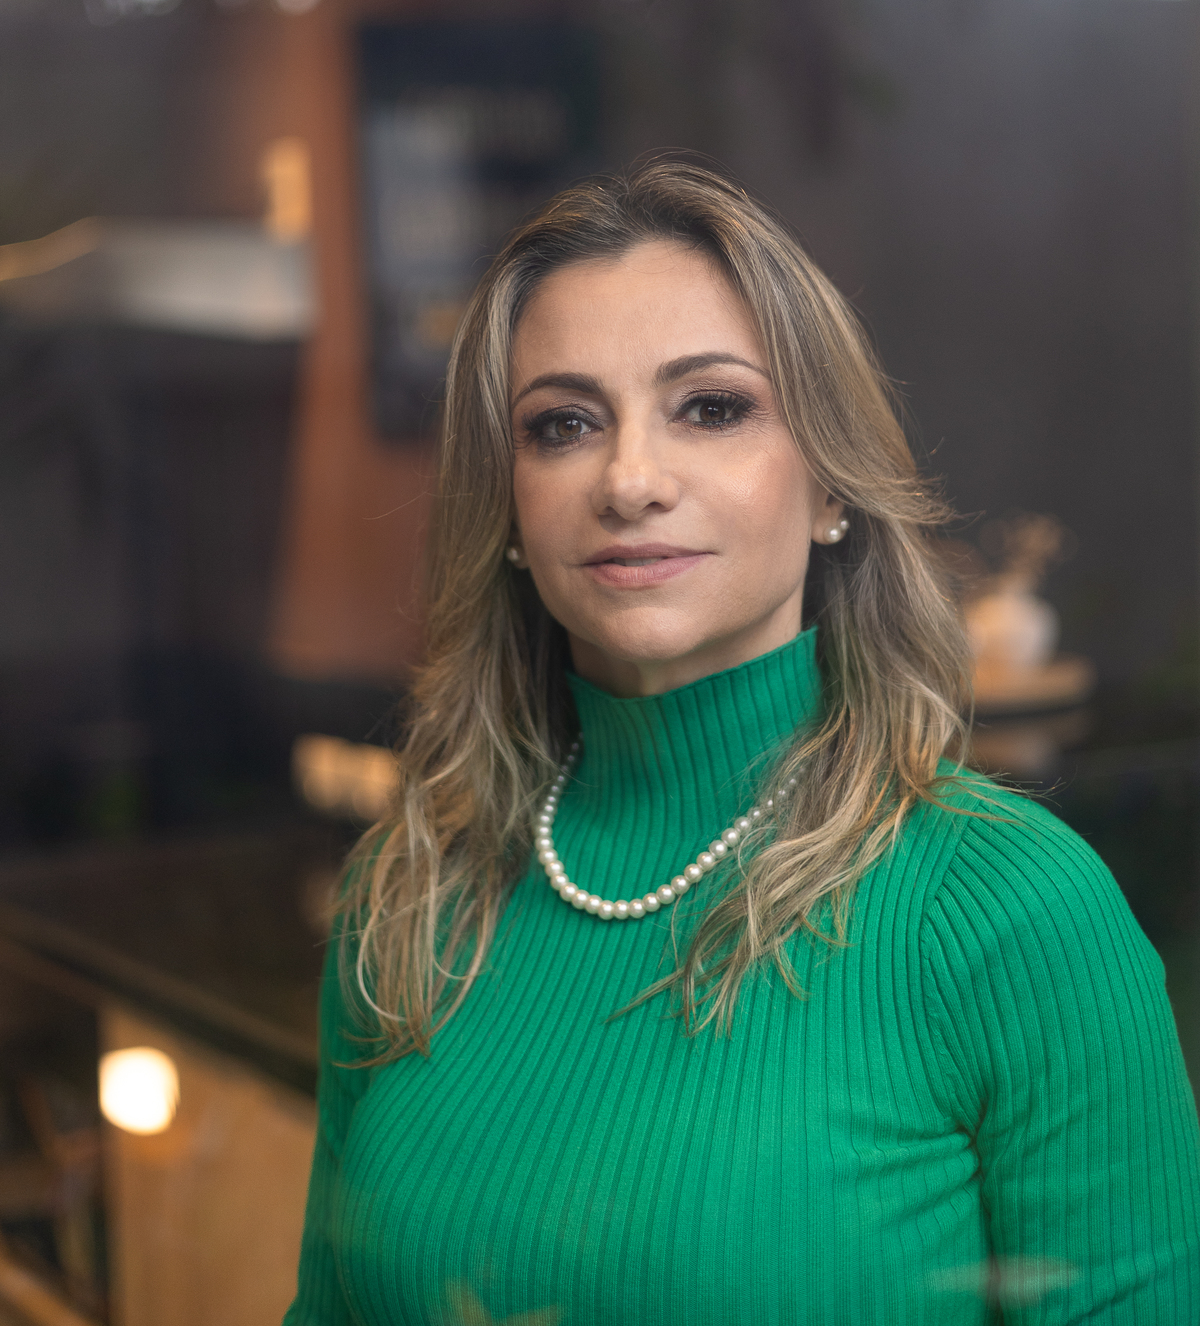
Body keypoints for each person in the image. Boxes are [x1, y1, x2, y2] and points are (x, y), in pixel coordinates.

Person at [285, 159, 1200, 1325]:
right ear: (510, 510)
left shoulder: (1011, 909)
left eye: (711, 408)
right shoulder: (407, 894)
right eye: (563, 425)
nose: (630, 480)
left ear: (830, 489)